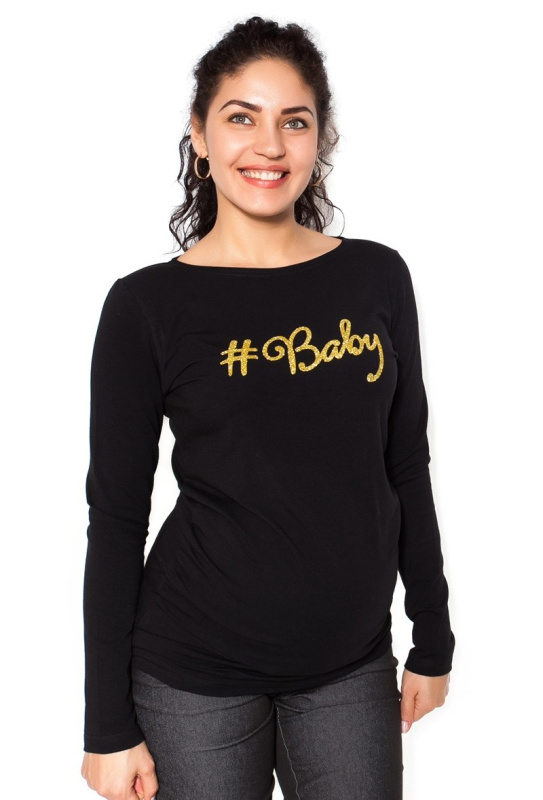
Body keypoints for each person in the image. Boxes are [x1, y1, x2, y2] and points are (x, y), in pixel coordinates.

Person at [81, 15, 455, 800]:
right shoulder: (146, 306)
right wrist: (106, 726)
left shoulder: (376, 278)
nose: (269, 146)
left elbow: (404, 464)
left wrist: (432, 634)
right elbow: (116, 517)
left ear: (321, 137)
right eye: (241, 118)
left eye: (294, 121)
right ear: (199, 134)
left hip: (349, 662)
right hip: (191, 673)